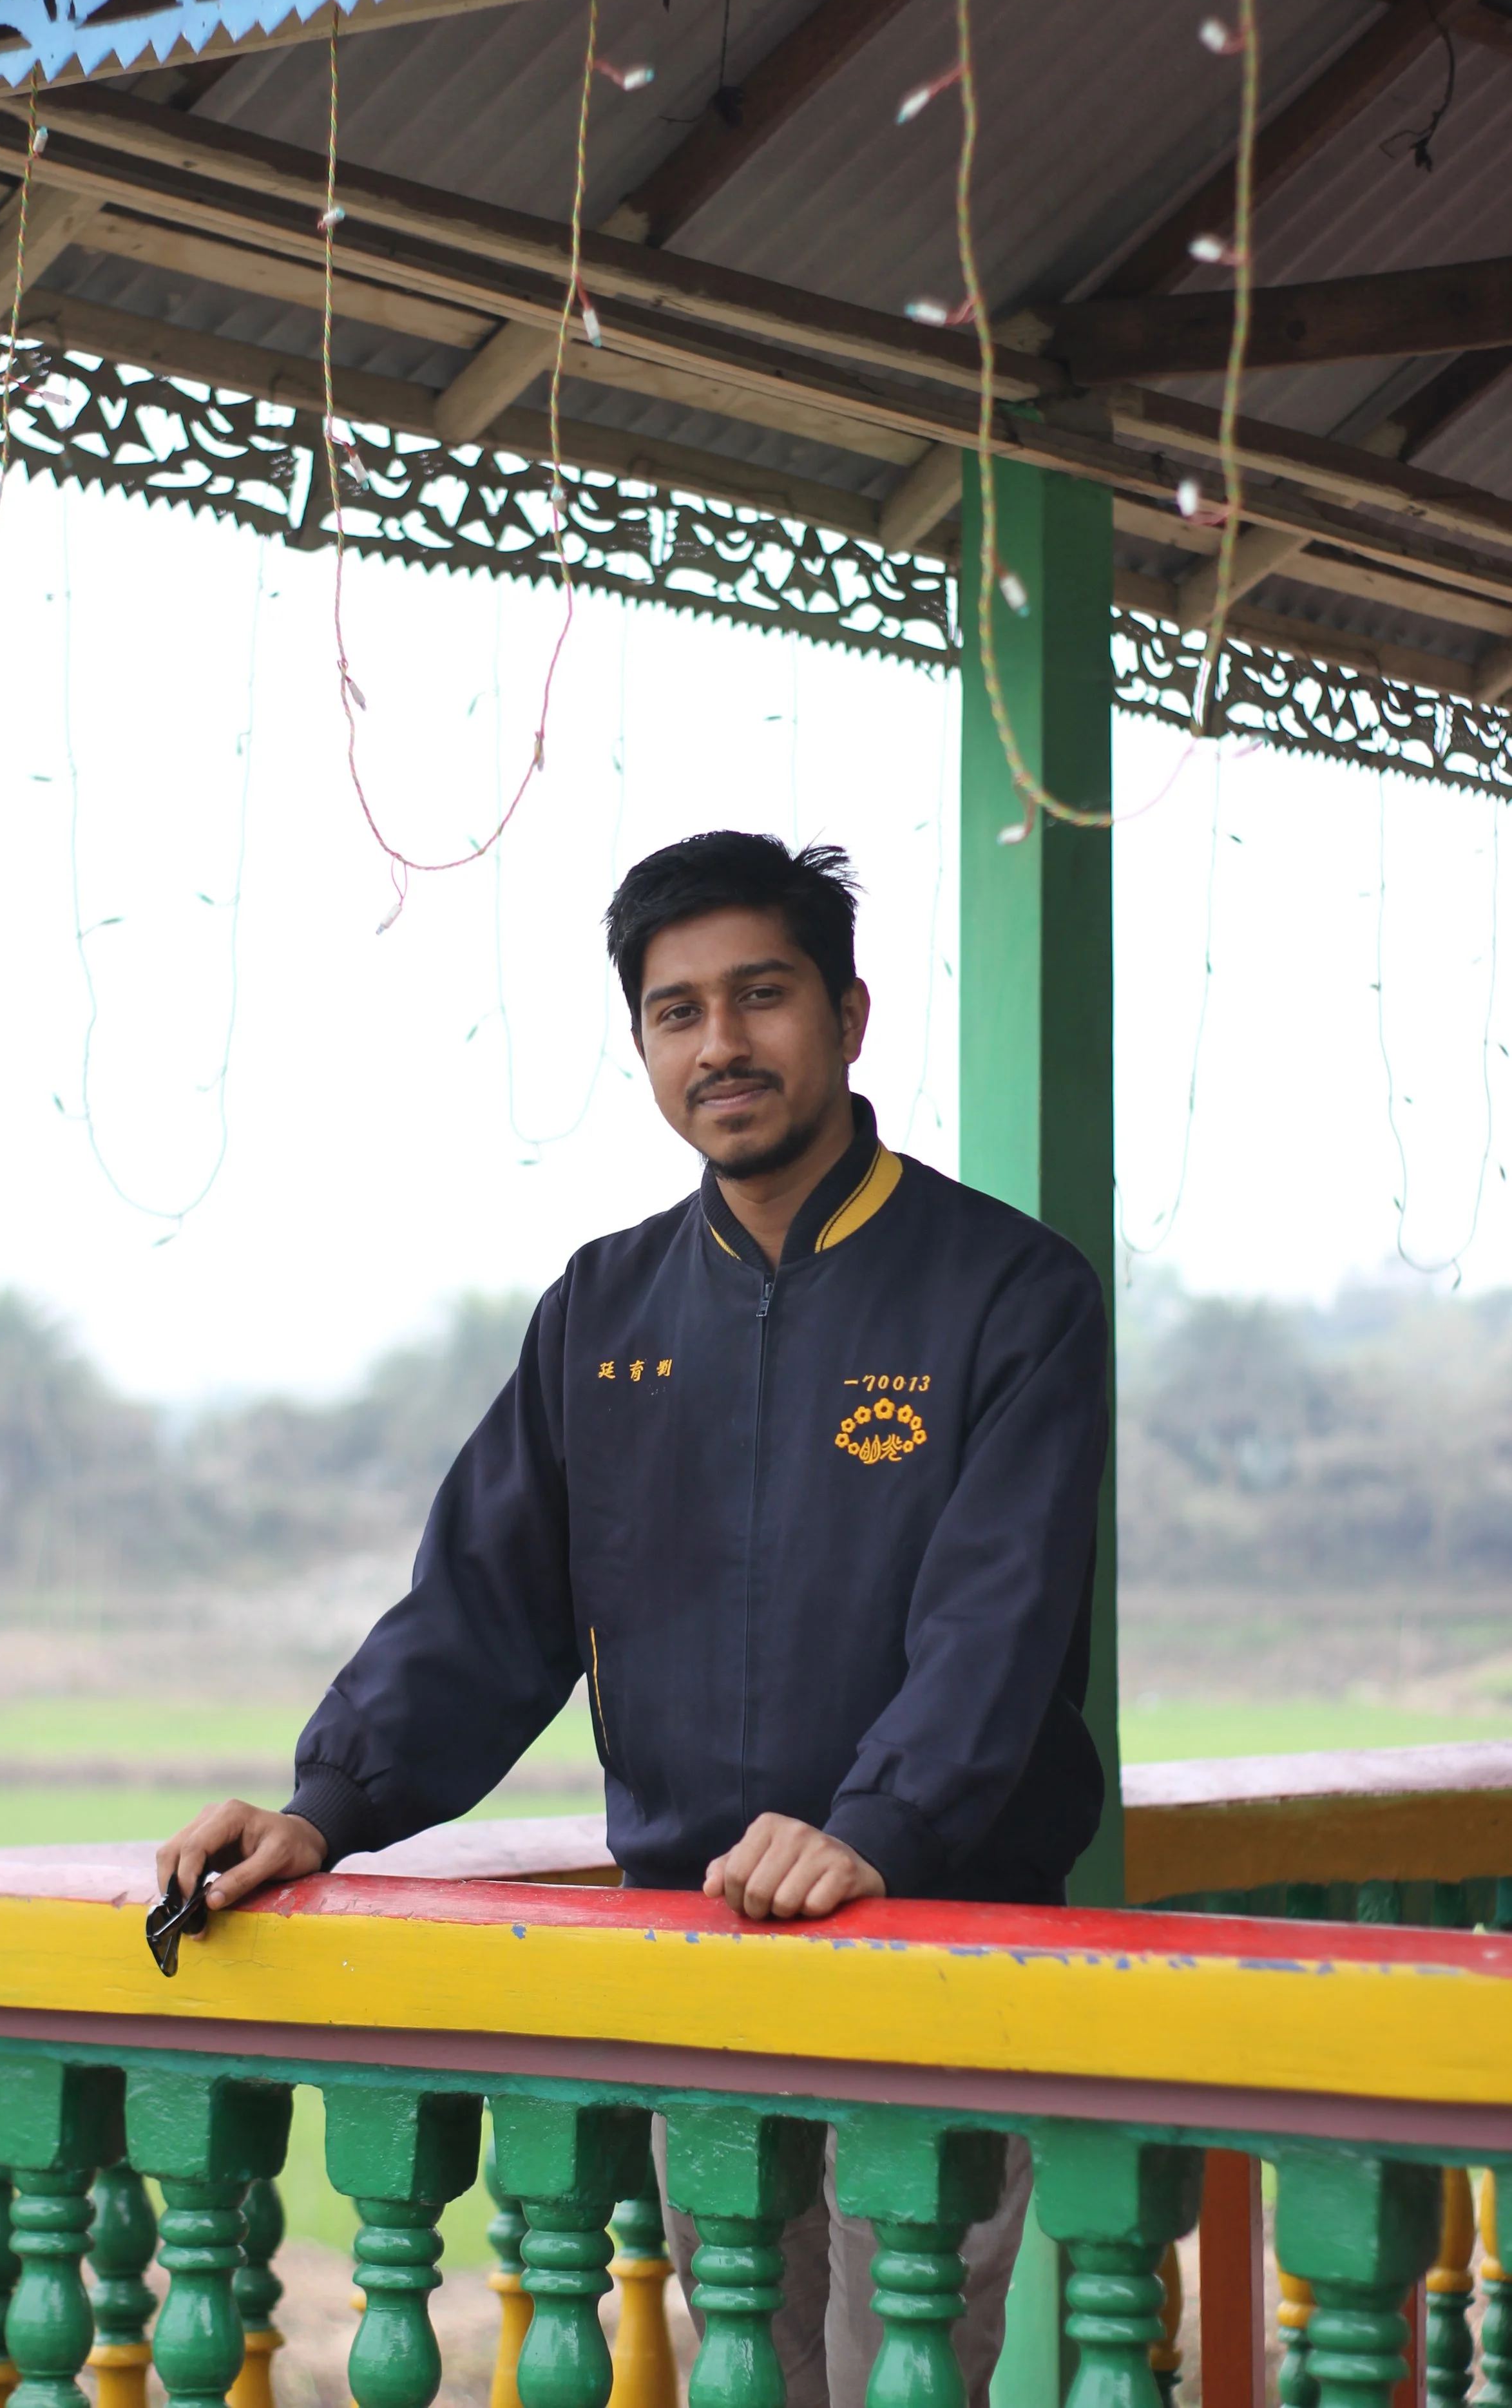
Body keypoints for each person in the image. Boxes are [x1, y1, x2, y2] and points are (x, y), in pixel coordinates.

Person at [158, 829, 1109, 2408]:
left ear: (849, 1016)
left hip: (938, 1936)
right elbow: (483, 1604)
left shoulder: (1005, 1292)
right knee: (750, 2373)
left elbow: (993, 1619)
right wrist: (327, 1806)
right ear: (645, 1049)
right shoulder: (600, 1315)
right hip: (697, 1955)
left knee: (904, 2377)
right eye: (677, 1012)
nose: (720, 1044)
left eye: (761, 996)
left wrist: (876, 1823)